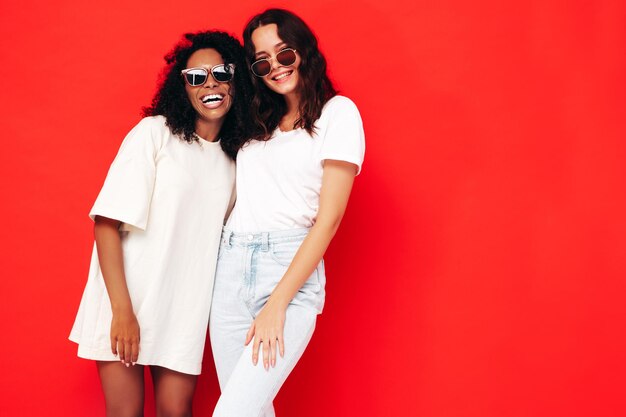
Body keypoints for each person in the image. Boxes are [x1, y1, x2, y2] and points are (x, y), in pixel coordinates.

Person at [69, 31, 251, 417]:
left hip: (183, 308)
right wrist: (122, 311)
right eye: (196, 77)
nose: (210, 84)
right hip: (125, 301)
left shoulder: (237, 161)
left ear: (237, 80)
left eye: (220, 73)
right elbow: (106, 224)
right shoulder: (155, 135)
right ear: (182, 87)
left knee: (176, 410)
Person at [209, 9, 365, 416]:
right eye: (262, 61)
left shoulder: (338, 114)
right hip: (229, 273)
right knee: (250, 410)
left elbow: (328, 219)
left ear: (304, 51)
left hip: (286, 274)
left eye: (284, 54)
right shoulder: (258, 123)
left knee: (232, 412)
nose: (275, 67)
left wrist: (278, 303)